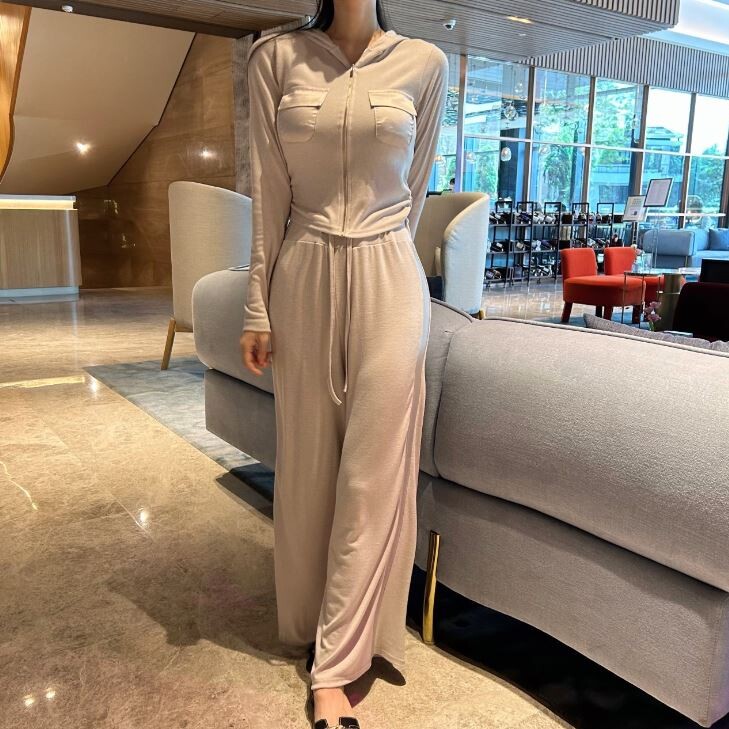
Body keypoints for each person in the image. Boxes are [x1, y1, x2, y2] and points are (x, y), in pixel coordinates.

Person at [239, 2, 448, 727]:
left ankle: (337, 664)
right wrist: (257, 304)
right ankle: (314, 620)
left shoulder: (425, 64)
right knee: (307, 466)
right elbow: (267, 189)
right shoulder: (274, 58)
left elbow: (416, 188)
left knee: (372, 474)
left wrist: (379, 260)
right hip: (301, 272)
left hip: (390, 273)